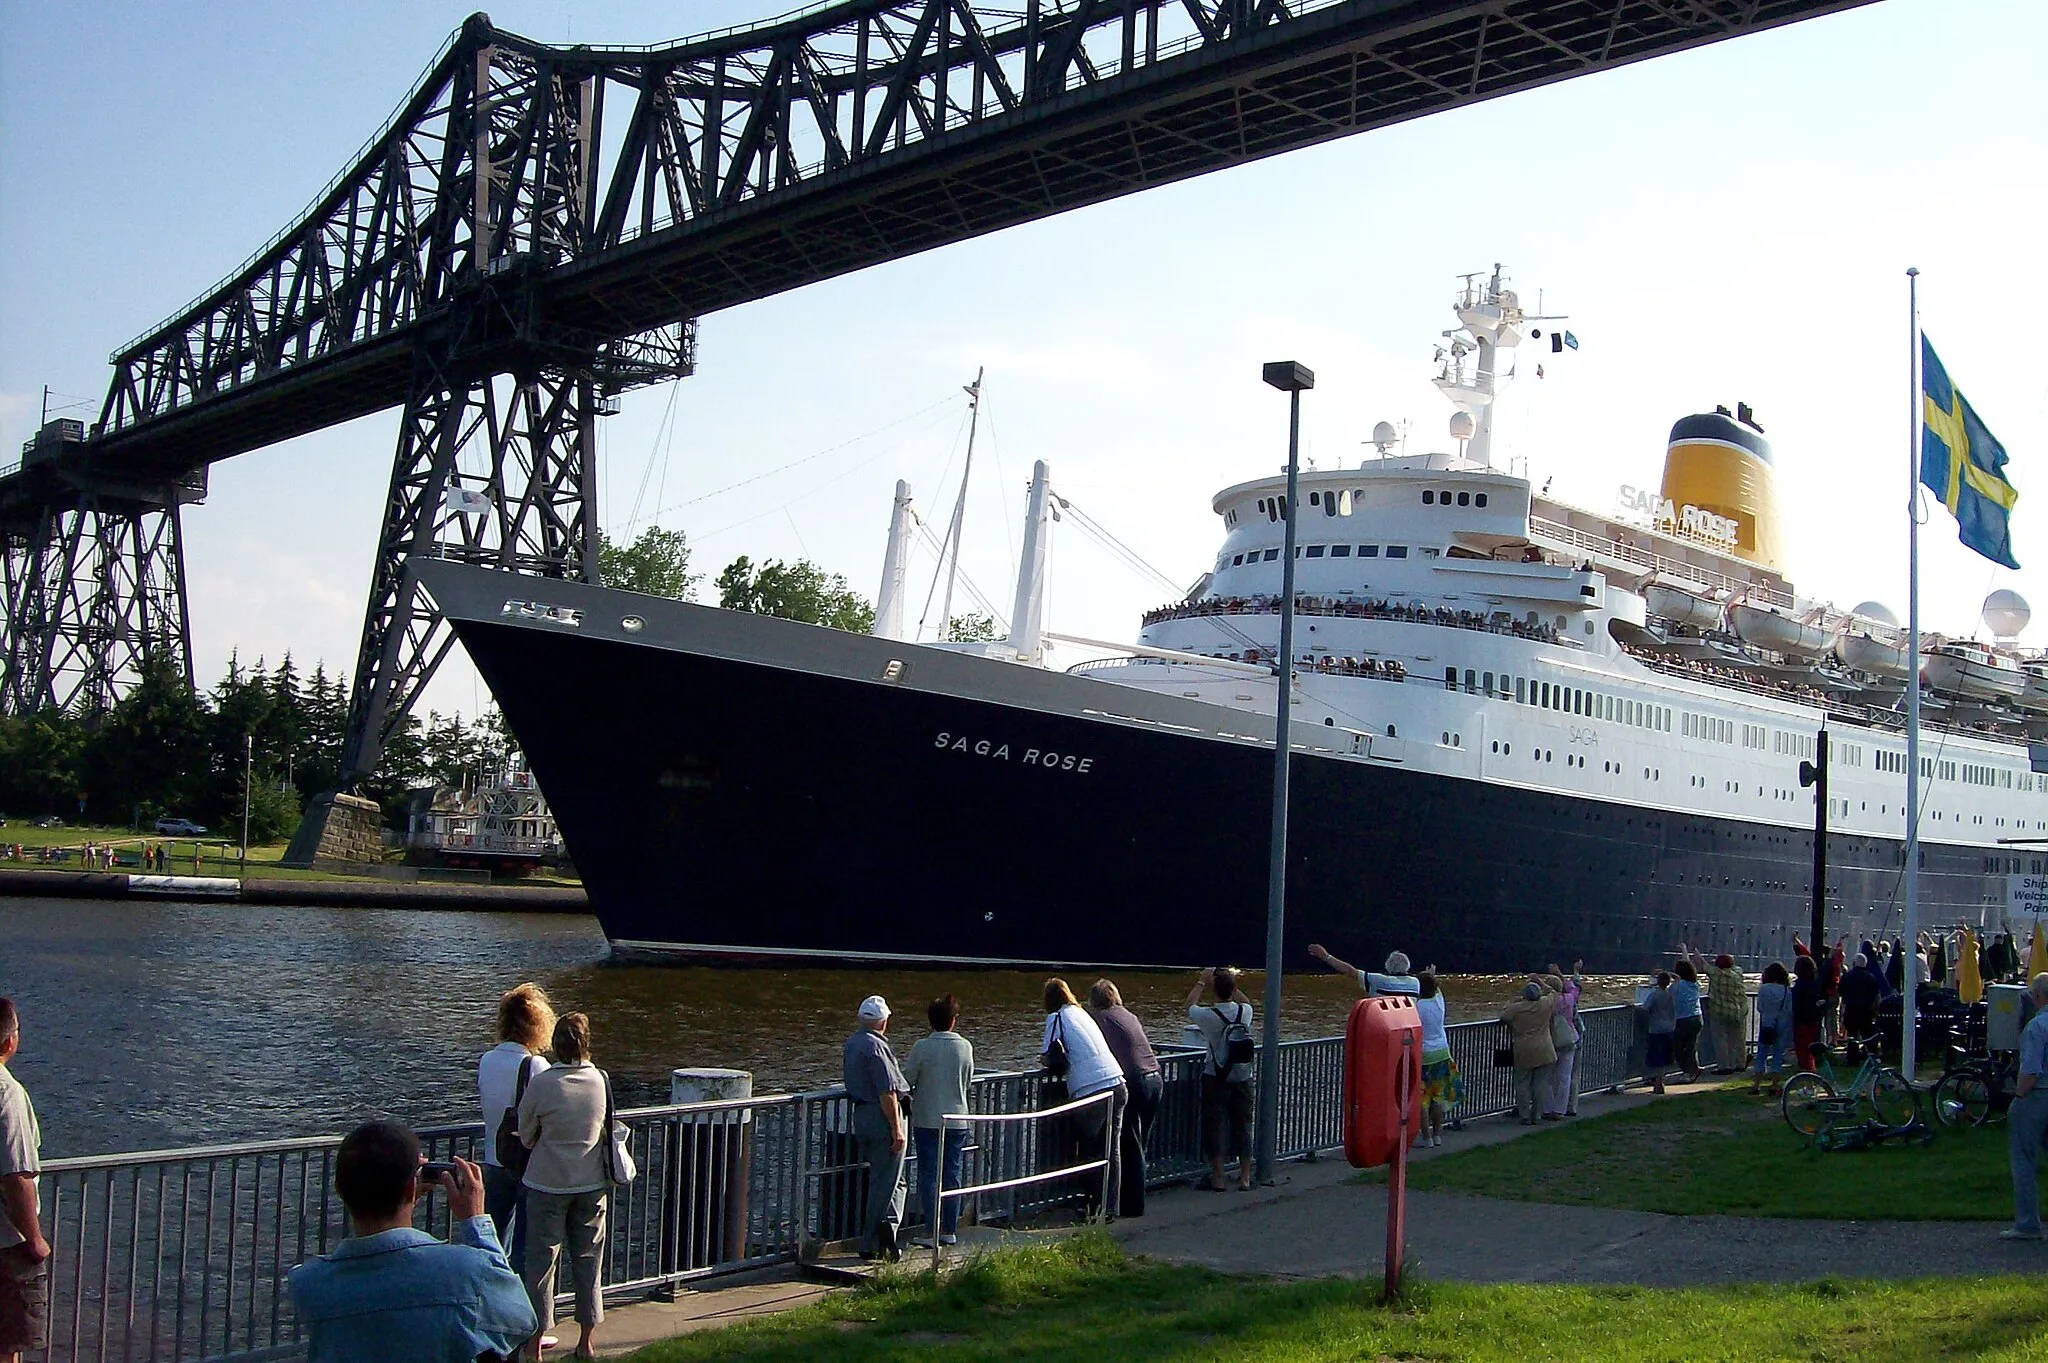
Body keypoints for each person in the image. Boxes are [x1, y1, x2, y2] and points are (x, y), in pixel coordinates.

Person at [286, 1121, 537, 1363]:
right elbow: (521, 1320)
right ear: (411, 1187)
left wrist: (402, 1194)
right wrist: (477, 1222)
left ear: (340, 1190)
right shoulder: (466, 1271)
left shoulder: (308, 1284)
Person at [516, 1012, 609, 1360]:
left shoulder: (543, 1084)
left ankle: (535, 1345)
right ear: (586, 1044)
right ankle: (586, 1342)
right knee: (588, 1262)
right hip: (591, 1183)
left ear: (555, 1044)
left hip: (546, 1183)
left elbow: (526, 1136)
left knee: (541, 1265)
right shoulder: (600, 1080)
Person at [478, 983, 555, 1278]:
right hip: (528, 1164)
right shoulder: (537, 1065)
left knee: (492, 1242)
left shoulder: (487, 1060)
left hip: (493, 1159)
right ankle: (521, 1308)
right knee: (526, 1245)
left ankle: (488, 1300)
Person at [1041, 979, 1128, 1219]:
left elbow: (1049, 1053)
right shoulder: (1082, 1013)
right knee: (1112, 1151)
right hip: (1117, 1082)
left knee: (1089, 1152)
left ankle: (1091, 1207)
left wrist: (1044, 1062)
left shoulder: (1056, 1017)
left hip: (1091, 1089)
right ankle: (1110, 1208)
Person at [901, 994, 973, 1247]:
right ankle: (950, 1230)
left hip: (927, 1118)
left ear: (931, 1021)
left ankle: (931, 1230)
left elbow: (907, 1079)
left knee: (929, 1175)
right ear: (953, 1020)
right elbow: (967, 1080)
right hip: (957, 1118)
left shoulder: (922, 1047)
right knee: (952, 1173)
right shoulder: (965, 1046)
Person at [841, 996, 909, 1261]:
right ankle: (873, 1242)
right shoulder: (877, 1048)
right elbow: (887, 1092)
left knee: (895, 1179)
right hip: (881, 1118)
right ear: (883, 1021)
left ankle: (888, 1235)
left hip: (862, 1115)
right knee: (886, 1182)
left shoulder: (853, 1043)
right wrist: (897, 1129)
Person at [1087, 979, 1161, 1218]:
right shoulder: (1128, 1015)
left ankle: (1132, 1208)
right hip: (1155, 1077)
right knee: (1140, 1144)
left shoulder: (1100, 1019)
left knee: (1130, 1144)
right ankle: (1133, 1202)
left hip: (1135, 1081)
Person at [0, 1001, 47, 1363]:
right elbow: (17, 1175)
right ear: (9, 1043)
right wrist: (34, 1241)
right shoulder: (7, 1094)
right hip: (6, 1248)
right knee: (8, 1346)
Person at [1187, 967, 1255, 1192]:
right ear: (1233, 989)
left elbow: (1189, 1006)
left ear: (1214, 991)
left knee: (1214, 1125)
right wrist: (1233, 986)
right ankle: (1245, 1177)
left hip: (1215, 1076)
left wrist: (1201, 981)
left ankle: (1218, 1177)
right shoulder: (1244, 1012)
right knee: (1243, 1125)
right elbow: (1245, 1001)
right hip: (1243, 1076)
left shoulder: (1209, 1016)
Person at [2004, 974, 2048, 1241]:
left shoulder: (2036, 1027)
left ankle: (2027, 1222)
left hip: (2038, 1095)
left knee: (2023, 1159)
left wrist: (2018, 1095)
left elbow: (2031, 1069)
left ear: (2038, 996)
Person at [1500, 980, 1557, 1123]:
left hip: (1523, 1049)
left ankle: (1524, 1115)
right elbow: (1554, 992)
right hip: (1545, 1049)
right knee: (1540, 1084)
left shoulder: (1516, 1008)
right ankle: (1537, 1115)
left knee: (1522, 1084)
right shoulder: (1545, 1003)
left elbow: (1504, 1017)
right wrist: (1541, 982)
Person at [1414, 970, 1460, 1144]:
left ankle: (1426, 1137)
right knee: (1438, 1096)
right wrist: (1432, 975)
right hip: (1441, 1052)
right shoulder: (1439, 1002)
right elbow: (1437, 988)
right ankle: (1438, 1135)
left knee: (1422, 1099)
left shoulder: (1417, 1006)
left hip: (1423, 1055)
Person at [1540, 965, 1582, 1120]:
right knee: (1565, 1077)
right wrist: (1560, 973)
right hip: (1569, 1039)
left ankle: (1547, 1109)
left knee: (1547, 1077)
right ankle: (1560, 1110)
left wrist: (1539, 982)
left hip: (1550, 1040)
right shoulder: (1569, 999)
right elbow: (1574, 988)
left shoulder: (1546, 1003)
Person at [1701, 951, 1749, 1075]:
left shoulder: (1715, 974)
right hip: (1738, 1011)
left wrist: (1692, 950)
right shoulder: (1738, 973)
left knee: (1720, 1040)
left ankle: (1725, 1066)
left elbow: (1702, 964)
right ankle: (1740, 1063)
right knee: (1738, 1039)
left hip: (1719, 1011)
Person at [1308, 943, 1418, 996]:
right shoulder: (1415, 983)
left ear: (1388, 966)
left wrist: (1326, 956)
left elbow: (1351, 971)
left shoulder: (1380, 981)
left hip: (1384, 1032)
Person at [1751, 962, 1794, 1096]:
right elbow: (1789, 1009)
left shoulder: (1763, 989)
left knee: (1761, 1054)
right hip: (1782, 1024)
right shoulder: (1787, 990)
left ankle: (1756, 1085)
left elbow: (1760, 1007)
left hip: (1766, 1024)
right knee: (1777, 1055)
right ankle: (1774, 1085)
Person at [1638, 971, 1677, 1095]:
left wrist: (1633, 1007)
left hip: (1656, 1029)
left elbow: (1645, 1008)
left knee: (1657, 1058)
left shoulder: (1654, 995)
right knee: (1665, 1057)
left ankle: (1658, 1083)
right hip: (1670, 1028)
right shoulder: (1672, 995)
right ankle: (1661, 1081)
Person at [1669, 951, 1705, 1080]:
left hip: (1683, 1019)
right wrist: (1685, 952)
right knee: (1691, 1047)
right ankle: (1693, 1070)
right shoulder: (1694, 984)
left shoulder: (1675, 986)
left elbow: (1669, 996)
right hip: (1697, 1018)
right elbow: (1689, 966)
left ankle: (1689, 1071)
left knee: (1677, 1049)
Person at [1791, 955, 1826, 1073]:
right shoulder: (1816, 983)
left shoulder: (1800, 985)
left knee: (1803, 1052)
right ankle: (1810, 1078)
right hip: (1813, 1020)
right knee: (1810, 1051)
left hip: (1802, 1021)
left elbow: (1796, 1003)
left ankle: (1809, 1080)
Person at [1840, 953, 1883, 1042]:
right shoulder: (1871, 977)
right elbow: (1876, 995)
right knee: (1867, 1035)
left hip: (1851, 1009)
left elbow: (1841, 991)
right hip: (1866, 1010)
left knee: (1852, 1035)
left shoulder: (1847, 976)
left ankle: (1852, 1052)